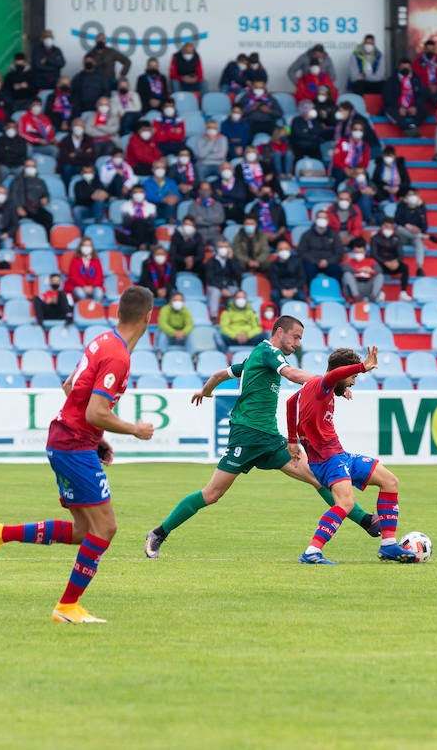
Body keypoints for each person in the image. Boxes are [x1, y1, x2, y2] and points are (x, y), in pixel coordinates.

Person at [0, 286, 155, 623]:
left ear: (119, 311)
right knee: (106, 528)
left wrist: (96, 438)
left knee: (82, 532)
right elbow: (95, 411)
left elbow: (70, 385)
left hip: (68, 439)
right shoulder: (118, 355)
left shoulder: (102, 340)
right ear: (149, 316)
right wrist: (134, 429)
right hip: (72, 443)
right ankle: (67, 606)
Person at [144, 315, 381, 558]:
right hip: (246, 436)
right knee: (212, 494)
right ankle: (158, 533)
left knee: (318, 478)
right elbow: (291, 374)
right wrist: (328, 384)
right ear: (279, 332)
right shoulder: (270, 352)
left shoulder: (254, 358)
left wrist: (205, 391)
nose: (298, 343)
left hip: (269, 438)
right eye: (296, 337)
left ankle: (367, 522)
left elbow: (218, 375)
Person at [289, 347, 416, 564]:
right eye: (353, 377)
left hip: (339, 455)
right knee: (346, 503)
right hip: (327, 459)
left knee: (389, 481)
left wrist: (293, 439)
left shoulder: (316, 387)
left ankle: (388, 545)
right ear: (342, 372)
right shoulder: (323, 383)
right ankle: (312, 552)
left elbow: (291, 402)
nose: (354, 382)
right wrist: (362, 367)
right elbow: (333, 376)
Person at [204, 241, 243, 319]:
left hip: (229, 285)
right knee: (215, 292)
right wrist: (222, 289)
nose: (223, 249)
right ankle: (213, 317)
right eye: (221, 247)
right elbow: (210, 278)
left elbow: (239, 276)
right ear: (217, 249)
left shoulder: (233, 260)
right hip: (216, 286)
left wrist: (231, 260)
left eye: (225, 247)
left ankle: (234, 317)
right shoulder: (211, 261)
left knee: (237, 293)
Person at [341, 238, 383, 303]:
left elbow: (379, 270)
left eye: (361, 252)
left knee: (380, 276)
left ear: (364, 251)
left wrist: (371, 271)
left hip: (368, 285)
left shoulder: (371, 261)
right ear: (353, 252)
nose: (359, 254)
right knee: (346, 274)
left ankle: (373, 296)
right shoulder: (349, 261)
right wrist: (358, 270)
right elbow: (344, 268)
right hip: (355, 286)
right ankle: (356, 296)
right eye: (357, 252)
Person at [268, 239, 307, 304]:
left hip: (295, 288)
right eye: (281, 249)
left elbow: (303, 278)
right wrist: (282, 290)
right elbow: (274, 280)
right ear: (277, 251)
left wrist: (294, 289)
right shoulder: (273, 265)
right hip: (281, 288)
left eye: (286, 249)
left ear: (290, 250)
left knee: (302, 297)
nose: (284, 251)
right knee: (274, 295)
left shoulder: (297, 262)